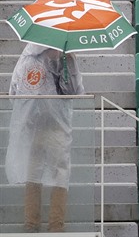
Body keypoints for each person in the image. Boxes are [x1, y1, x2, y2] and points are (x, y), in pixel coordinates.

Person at [5, 43, 85, 233]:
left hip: (34, 125)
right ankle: (53, 227)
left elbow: (14, 91)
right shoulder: (60, 54)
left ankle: (33, 225)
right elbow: (74, 90)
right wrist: (67, 61)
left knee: (37, 174)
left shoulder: (27, 56)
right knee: (56, 175)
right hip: (53, 126)